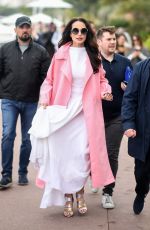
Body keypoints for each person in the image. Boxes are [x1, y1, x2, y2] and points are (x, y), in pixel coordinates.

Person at [29, 17, 114, 218]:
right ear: (69, 32)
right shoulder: (60, 55)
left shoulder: (94, 55)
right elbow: (49, 81)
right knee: (64, 158)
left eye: (83, 31)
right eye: (75, 31)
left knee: (82, 156)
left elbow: (102, 80)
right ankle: (68, 197)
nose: (79, 34)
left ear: (87, 34)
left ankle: (80, 192)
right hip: (63, 113)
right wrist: (44, 99)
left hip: (86, 113)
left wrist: (105, 91)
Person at [0, 16, 50, 189]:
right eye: (21, 27)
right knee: (8, 135)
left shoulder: (41, 52)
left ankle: (22, 172)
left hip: (31, 101)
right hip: (9, 99)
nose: (25, 30)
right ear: (15, 30)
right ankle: (6, 175)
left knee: (28, 139)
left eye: (27, 27)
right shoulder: (4, 49)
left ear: (31, 29)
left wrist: (45, 99)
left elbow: (47, 78)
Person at [94, 26, 132, 209]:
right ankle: (95, 174)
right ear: (99, 42)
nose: (112, 42)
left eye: (114, 39)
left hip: (117, 116)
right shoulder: (92, 62)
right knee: (91, 152)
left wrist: (128, 86)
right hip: (94, 116)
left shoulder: (125, 62)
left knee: (111, 153)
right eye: (108, 39)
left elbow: (132, 85)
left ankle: (108, 191)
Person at [122, 58, 150, 215]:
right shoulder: (141, 68)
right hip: (144, 130)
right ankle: (141, 191)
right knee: (141, 172)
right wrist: (128, 124)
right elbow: (129, 97)